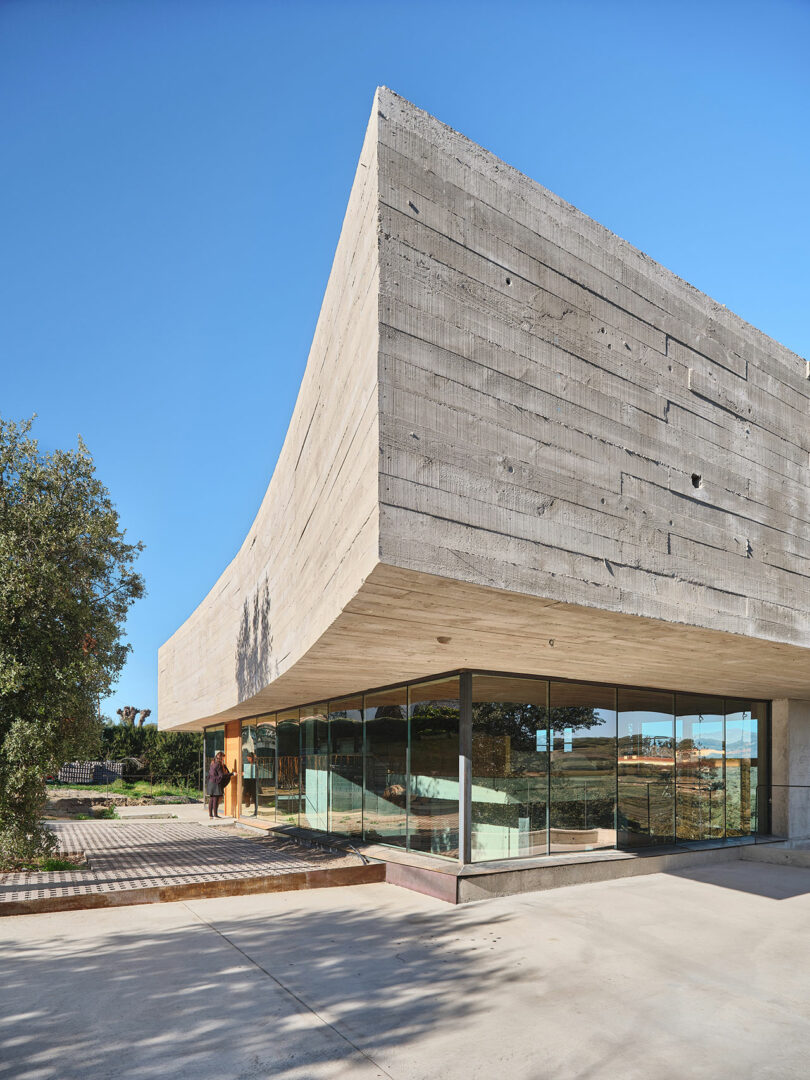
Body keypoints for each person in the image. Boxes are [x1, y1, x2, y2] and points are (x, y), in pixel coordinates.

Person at [206, 751, 231, 818]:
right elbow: (221, 775)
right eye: (223, 758)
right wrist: (231, 774)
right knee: (216, 799)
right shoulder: (218, 765)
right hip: (216, 783)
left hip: (211, 783)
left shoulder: (212, 763)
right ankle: (216, 815)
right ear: (221, 758)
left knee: (211, 799)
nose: (224, 759)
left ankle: (211, 815)